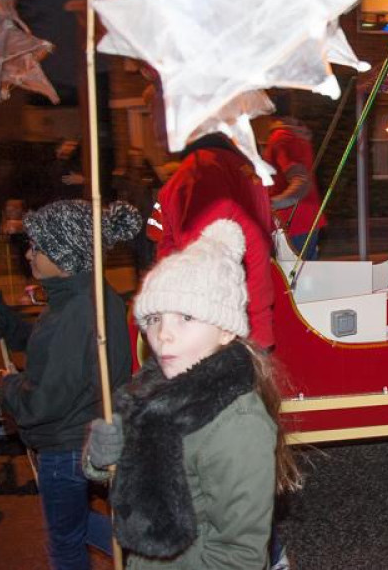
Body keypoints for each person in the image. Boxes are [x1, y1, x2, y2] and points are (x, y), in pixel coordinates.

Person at [84, 220, 302, 569]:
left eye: (186, 317)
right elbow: (130, 476)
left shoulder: (235, 422)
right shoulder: (150, 391)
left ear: (226, 331)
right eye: (154, 318)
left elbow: (239, 555)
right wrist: (99, 460)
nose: (163, 335)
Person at [0, 200, 140, 569]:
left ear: (67, 256)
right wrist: (10, 327)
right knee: (74, 527)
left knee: (64, 543)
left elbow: (44, 401)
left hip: (67, 445)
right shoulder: (80, 297)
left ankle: (147, 552)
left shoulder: (78, 311)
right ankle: (148, 552)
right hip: (80, 437)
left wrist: (8, 386)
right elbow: (55, 350)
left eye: (38, 247)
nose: (29, 254)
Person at [147, 131, 275, 350]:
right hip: (250, 317)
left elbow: (198, 261)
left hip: (221, 325)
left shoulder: (198, 172)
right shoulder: (246, 170)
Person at [263, 116, 326, 260]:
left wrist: (270, 203)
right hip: (307, 218)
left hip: (291, 221)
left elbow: (300, 182)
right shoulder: (298, 137)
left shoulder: (281, 139)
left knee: (292, 275)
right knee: (306, 272)